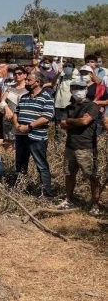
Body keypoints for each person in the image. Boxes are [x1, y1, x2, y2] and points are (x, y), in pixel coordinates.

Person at [58, 80, 102, 215]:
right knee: (69, 174)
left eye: (81, 88)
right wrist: (75, 122)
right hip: (70, 145)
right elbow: (62, 124)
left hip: (86, 146)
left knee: (92, 176)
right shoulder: (69, 107)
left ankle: (95, 204)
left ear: (86, 90)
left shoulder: (92, 106)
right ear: (71, 90)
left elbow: (85, 121)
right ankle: (68, 199)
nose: (78, 90)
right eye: (75, 88)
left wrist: (71, 121)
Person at [13, 72, 55, 199]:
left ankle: (46, 195)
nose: (25, 82)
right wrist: (17, 125)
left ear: (37, 82)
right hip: (21, 135)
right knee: (20, 164)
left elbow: (47, 117)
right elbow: (16, 112)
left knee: (41, 165)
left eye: (28, 80)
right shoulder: (24, 97)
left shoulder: (46, 97)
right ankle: (19, 189)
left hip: (37, 137)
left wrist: (29, 126)